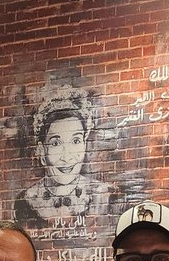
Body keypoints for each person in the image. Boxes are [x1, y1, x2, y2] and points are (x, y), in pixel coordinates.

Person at [14, 86, 111, 225]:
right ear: (41, 150)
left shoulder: (103, 196)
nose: (66, 157)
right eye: (56, 143)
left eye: (75, 141)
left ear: (84, 144)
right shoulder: (25, 202)